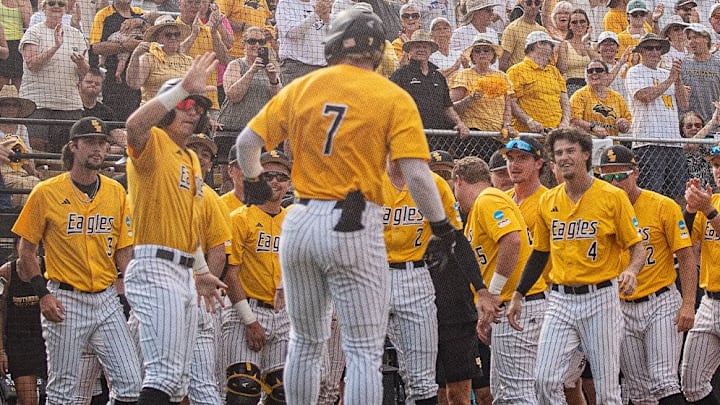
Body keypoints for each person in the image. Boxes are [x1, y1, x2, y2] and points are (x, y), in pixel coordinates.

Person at [233, 8, 498, 404]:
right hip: (354, 221)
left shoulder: (302, 86)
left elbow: (244, 146)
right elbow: (418, 175)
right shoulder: (390, 94)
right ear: (378, 51)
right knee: (362, 351)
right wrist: (442, 227)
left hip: (301, 218)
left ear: (335, 43)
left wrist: (255, 185)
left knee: (306, 342)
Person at [507, 128, 646, 404]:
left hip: (601, 297)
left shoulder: (612, 196)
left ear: (585, 154)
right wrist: (518, 293)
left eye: (570, 150)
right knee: (544, 380)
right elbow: (539, 253)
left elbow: (637, 247)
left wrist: (631, 270)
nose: (564, 157)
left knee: (607, 391)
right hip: (560, 299)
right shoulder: (548, 199)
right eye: (558, 153)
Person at [11, 116, 142, 405]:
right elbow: (26, 252)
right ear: (73, 146)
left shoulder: (116, 191)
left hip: (106, 298)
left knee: (132, 384)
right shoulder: (46, 192)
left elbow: (124, 250)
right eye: (90, 142)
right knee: (63, 392)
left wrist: (132, 288)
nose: (98, 149)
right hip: (65, 298)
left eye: (102, 143)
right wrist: (42, 294)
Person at [123, 56, 227, 405]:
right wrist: (182, 86)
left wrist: (201, 271)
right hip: (154, 266)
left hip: (183, 272)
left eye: (197, 107)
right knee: (164, 375)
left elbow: (188, 225)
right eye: (185, 104)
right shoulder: (153, 141)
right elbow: (133, 125)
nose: (192, 111)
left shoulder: (193, 158)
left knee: (180, 382)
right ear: (167, 106)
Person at [597, 144, 696, 405]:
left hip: (660, 301)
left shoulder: (662, 205)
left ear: (636, 173)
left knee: (663, 380)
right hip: (622, 306)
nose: (615, 182)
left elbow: (686, 257)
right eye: (608, 176)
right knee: (638, 391)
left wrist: (687, 303)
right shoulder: (599, 210)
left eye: (621, 175)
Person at [458, 149, 547, 404]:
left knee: (518, 395)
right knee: (506, 394)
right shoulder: (484, 206)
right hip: (511, 307)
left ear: (460, 181)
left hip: (516, 305)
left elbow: (512, 239)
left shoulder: (487, 199)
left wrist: (493, 294)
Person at [381, 156, 464, 405]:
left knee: (421, 378)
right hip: (371, 275)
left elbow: (454, 234)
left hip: (414, 274)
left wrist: (481, 290)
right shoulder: (365, 179)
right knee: (363, 370)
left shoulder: (433, 184)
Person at [222, 150, 292, 405]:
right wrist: (250, 322)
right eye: (268, 175)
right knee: (243, 388)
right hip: (246, 309)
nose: (275, 181)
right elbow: (231, 274)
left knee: (284, 391)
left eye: (282, 176)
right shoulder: (239, 218)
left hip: (282, 314)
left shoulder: (292, 220)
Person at [185, 133, 231, 405]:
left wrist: (204, 288)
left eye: (206, 154)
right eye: (194, 149)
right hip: (161, 284)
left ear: (211, 164)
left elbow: (218, 251)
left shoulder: (213, 200)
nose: (200, 157)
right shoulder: (162, 186)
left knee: (205, 381)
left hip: (201, 297)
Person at [626, 33, 689, 203]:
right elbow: (644, 96)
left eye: (657, 48)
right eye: (649, 48)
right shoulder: (634, 72)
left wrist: (678, 78)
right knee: (650, 194)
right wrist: (670, 79)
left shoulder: (666, 73)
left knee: (679, 194)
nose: (654, 52)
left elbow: (684, 104)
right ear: (640, 51)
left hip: (673, 142)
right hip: (648, 142)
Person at [19, 0, 88, 153]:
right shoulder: (34, 32)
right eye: (51, 3)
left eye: (61, 3)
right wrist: (55, 47)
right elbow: (32, 65)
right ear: (43, 7)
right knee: (36, 149)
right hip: (38, 102)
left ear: (66, 8)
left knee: (68, 150)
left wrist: (81, 63)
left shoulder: (75, 34)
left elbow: (85, 72)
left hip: (69, 104)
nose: (56, 6)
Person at [680, 146, 720, 404]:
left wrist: (707, 210)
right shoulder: (712, 201)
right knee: (692, 384)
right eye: (716, 165)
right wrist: (692, 208)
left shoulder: (712, 206)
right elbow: (685, 242)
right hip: (709, 302)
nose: (718, 170)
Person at [390, 29, 470, 137]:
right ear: (410, 50)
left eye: (425, 46)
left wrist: (459, 123)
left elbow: (447, 107)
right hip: (411, 134)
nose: (421, 49)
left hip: (439, 138)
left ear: (431, 50)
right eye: (417, 46)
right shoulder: (401, 74)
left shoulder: (438, 76)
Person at [449, 33, 513, 163]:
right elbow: (450, 107)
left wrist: (507, 125)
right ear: (472, 56)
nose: (482, 53)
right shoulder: (464, 75)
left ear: (493, 55)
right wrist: (470, 99)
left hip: (497, 136)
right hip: (473, 134)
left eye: (486, 50)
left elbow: (507, 107)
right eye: (477, 51)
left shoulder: (503, 76)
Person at [0, 242, 47, 405]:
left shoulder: (51, 268)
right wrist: (1, 350)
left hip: (48, 342)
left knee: (59, 394)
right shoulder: (6, 272)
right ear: (17, 249)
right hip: (19, 345)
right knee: (28, 399)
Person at [218, 26, 281, 135]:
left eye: (261, 42)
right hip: (233, 129)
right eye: (252, 41)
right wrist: (251, 71)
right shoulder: (235, 65)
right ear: (244, 44)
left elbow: (279, 101)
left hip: (260, 131)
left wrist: (273, 80)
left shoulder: (271, 66)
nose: (257, 45)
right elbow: (233, 96)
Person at [89, 0, 144, 121]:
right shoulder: (103, 15)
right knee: (114, 120)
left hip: (138, 77)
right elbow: (95, 47)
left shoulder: (140, 13)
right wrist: (124, 46)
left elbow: (152, 31)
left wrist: (140, 21)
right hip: (115, 80)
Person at [507, 31, 571, 134]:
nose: (552, 50)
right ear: (539, 44)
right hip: (528, 135)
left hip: (555, 135)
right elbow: (510, 102)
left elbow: (565, 101)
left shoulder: (554, 71)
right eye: (551, 45)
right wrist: (529, 121)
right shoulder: (517, 70)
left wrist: (565, 122)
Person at [126, 15, 193, 105]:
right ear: (157, 38)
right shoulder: (148, 58)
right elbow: (134, 84)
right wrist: (135, 55)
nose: (173, 38)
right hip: (154, 111)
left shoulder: (188, 61)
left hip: (180, 112)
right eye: (168, 35)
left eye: (176, 34)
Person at [176, 0, 231, 111]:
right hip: (180, 100)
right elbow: (174, 57)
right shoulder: (171, 31)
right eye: (189, 2)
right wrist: (193, 35)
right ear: (179, 4)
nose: (193, 6)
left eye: (197, 3)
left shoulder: (209, 30)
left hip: (209, 101)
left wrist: (214, 32)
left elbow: (225, 60)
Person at [569, 60, 632, 138]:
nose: (594, 73)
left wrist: (624, 124)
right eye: (590, 71)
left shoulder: (617, 97)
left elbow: (627, 124)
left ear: (607, 75)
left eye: (599, 70)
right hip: (588, 143)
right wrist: (593, 128)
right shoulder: (579, 95)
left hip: (611, 144)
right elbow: (574, 120)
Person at [274, 0, 329, 85]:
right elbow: (292, 33)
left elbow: (333, 34)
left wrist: (327, 19)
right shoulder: (285, 3)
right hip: (296, 68)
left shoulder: (318, 3)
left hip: (322, 68)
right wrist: (315, 15)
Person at [0, 96, 41, 208]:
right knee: (24, 184)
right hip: (2, 172)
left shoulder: (22, 128)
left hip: (22, 170)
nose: (10, 108)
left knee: (36, 183)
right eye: (6, 105)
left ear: (19, 108)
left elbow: (28, 152)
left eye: (14, 105)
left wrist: (34, 171)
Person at [680, 23, 720, 127]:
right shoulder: (682, 64)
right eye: (689, 38)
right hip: (689, 127)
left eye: (695, 37)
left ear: (706, 38)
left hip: (713, 126)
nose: (691, 42)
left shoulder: (718, 63)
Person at [557, 9, 598, 97]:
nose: (579, 25)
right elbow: (562, 69)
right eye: (574, 22)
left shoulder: (594, 45)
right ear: (570, 26)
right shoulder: (565, 44)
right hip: (572, 87)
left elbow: (600, 63)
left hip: (592, 86)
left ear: (587, 24)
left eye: (582, 21)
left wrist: (586, 43)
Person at [498, 0, 546, 71]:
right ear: (522, 3)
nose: (533, 6)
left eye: (537, 3)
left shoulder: (542, 31)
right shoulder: (512, 29)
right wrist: (519, 72)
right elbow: (502, 63)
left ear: (540, 5)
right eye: (529, 3)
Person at [681, 105, 720, 188]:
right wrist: (712, 122)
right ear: (683, 130)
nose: (694, 128)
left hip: (708, 189)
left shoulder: (708, 149)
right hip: (688, 189)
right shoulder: (679, 145)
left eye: (698, 125)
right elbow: (692, 144)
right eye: (689, 126)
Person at [0, 0, 30, 92]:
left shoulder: (25, 1)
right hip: (1, 42)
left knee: (19, 78)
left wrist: (21, 4)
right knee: (2, 78)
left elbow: (28, 23)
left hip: (18, 42)